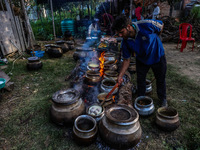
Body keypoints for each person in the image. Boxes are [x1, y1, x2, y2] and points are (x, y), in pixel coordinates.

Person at [112, 15, 168, 107]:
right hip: (142, 59)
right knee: (140, 80)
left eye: (121, 32)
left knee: (160, 79)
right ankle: (141, 99)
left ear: (129, 27)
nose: (120, 35)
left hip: (157, 56)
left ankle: (163, 99)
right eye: (118, 33)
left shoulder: (146, 25)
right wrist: (120, 75)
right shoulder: (125, 42)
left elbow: (161, 26)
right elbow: (126, 60)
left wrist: (157, 38)